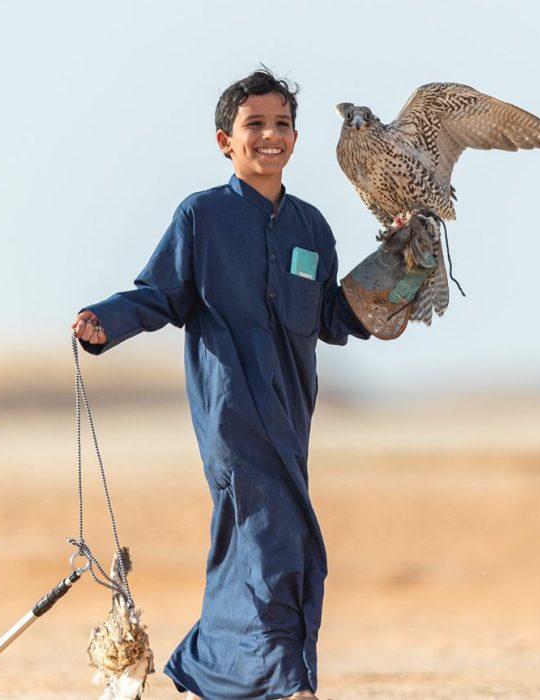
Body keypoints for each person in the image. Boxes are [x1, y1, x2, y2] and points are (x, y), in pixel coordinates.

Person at [71, 68, 394, 700]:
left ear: (296, 139)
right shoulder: (203, 217)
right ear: (226, 140)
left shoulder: (312, 228)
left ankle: (206, 665)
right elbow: (159, 294)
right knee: (279, 540)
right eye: (254, 125)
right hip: (230, 413)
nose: (268, 135)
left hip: (291, 414)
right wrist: (104, 323)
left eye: (280, 124)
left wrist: (393, 279)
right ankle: (289, 684)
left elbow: (331, 317)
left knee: (249, 543)